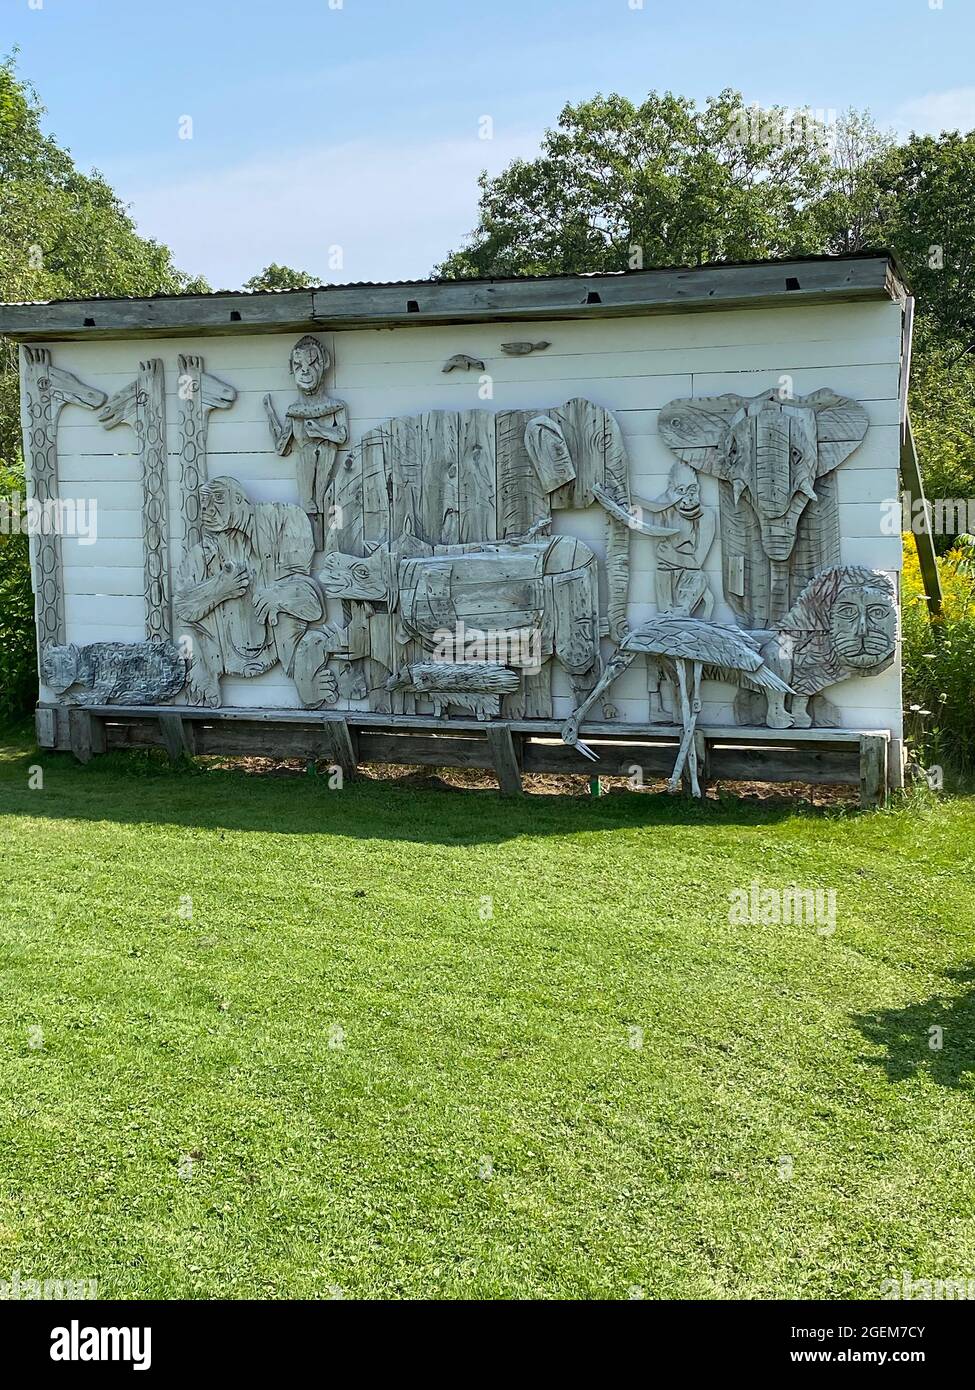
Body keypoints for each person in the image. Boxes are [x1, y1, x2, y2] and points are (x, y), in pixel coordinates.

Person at [263, 336, 349, 550]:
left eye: (312, 363)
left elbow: (342, 436)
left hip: (328, 474)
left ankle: (329, 546)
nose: (305, 371)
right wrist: (270, 414)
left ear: (324, 364)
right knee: (308, 507)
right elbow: (281, 447)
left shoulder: (335, 407)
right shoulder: (294, 412)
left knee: (329, 504)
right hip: (305, 473)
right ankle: (313, 547)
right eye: (298, 365)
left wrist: (320, 430)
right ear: (292, 369)